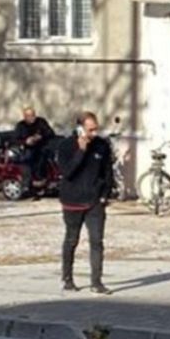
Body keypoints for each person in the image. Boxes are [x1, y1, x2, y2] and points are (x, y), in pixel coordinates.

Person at [57, 112, 114, 295]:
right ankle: (67, 278)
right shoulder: (66, 146)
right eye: (90, 130)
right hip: (72, 201)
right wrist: (80, 151)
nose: (94, 133)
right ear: (80, 128)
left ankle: (96, 282)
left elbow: (107, 172)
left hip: (95, 201)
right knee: (72, 240)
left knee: (97, 241)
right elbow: (67, 172)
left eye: (96, 129)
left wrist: (105, 194)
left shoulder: (102, 145)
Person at [12, 106, 55, 187]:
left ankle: (43, 178)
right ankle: (33, 181)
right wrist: (26, 141)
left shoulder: (41, 121)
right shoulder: (20, 126)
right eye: (29, 116)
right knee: (30, 156)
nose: (32, 117)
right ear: (24, 117)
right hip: (28, 148)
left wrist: (40, 136)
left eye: (33, 115)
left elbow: (51, 133)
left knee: (44, 153)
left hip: (42, 145)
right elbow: (15, 140)